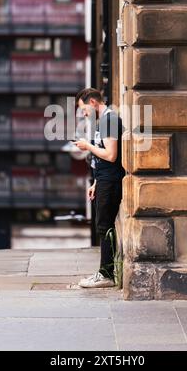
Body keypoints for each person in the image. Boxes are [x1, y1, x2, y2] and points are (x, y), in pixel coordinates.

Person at [74, 88, 125, 288]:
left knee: (105, 226)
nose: (84, 113)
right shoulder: (102, 121)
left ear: (93, 102)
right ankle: (105, 272)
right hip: (104, 180)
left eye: (84, 109)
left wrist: (87, 146)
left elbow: (111, 155)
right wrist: (95, 182)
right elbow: (105, 158)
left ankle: (106, 274)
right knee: (103, 226)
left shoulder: (109, 120)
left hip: (111, 181)